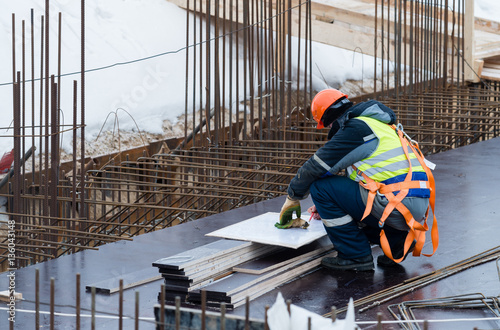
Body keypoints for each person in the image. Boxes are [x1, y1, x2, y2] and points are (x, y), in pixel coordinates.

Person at [276, 88, 438, 271]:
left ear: (329, 121)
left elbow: (317, 166)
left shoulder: (356, 129)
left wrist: (293, 196)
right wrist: (329, 207)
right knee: (348, 193)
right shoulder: (380, 125)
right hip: (414, 205)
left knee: (321, 188)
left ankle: (356, 256)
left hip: (397, 203)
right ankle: (397, 244)